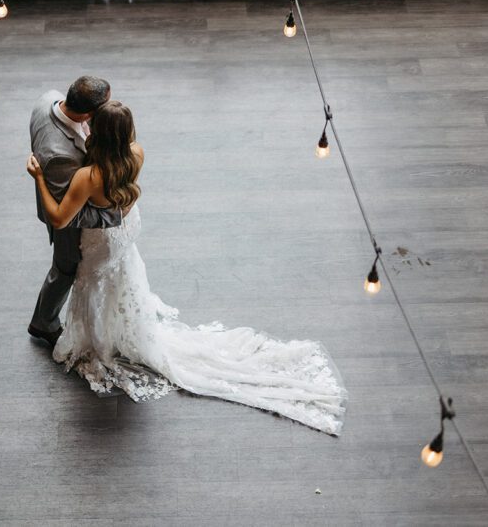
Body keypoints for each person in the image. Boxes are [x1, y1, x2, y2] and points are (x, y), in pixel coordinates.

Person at [26, 100, 347, 435]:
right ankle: (121, 327)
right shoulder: (136, 153)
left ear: (98, 133)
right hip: (126, 230)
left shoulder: (87, 176)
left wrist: (39, 178)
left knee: (96, 282)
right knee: (120, 277)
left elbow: (61, 218)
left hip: (101, 241)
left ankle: (102, 336)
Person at [28, 77, 121, 347]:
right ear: (90, 114)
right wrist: (111, 216)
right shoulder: (60, 156)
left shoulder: (48, 97)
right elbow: (66, 215)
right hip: (66, 218)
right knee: (65, 267)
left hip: (69, 195)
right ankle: (43, 323)